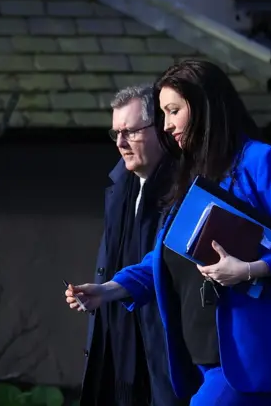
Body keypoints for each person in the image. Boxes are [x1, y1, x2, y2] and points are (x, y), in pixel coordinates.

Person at [66, 60, 271, 406]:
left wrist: (249, 270)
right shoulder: (191, 173)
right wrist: (108, 290)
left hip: (245, 360)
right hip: (200, 360)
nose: (168, 125)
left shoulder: (262, 161)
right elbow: (164, 257)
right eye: (162, 114)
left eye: (173, 111)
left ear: (203, 106)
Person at [80, 84, 188, 406]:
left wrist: (112, 289)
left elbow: (165, 264)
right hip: (117, 348)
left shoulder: (183, 187)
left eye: (129, 132)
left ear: (160, 129)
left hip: (160, 355)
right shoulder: (120, 187)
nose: (121, 144)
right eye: (115, 134)